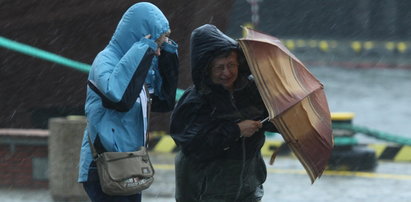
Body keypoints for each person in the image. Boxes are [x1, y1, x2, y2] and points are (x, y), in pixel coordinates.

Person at [78, 2, 179, 202]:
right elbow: (119, 99)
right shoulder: (105, 61)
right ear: (141, 37)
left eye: (160, 45)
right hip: (105, 164)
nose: (157, 51)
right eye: (157, 44)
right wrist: (143, 49)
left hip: (129, 163)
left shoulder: (140, 64)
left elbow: (163, 102)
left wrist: (168, 55)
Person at [170, 24, 277, 202]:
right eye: (220, 67)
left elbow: (271, 118)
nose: (227, 73)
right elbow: (192, 144)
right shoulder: (195, 101)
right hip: (206, 192)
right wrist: (236, 130)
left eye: (231, 65)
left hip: (247, 188)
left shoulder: (251, 90)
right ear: (206, 68)